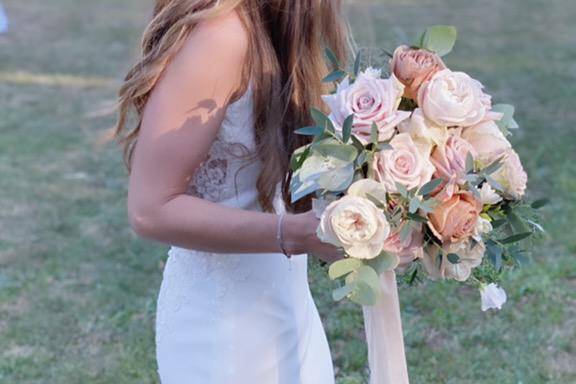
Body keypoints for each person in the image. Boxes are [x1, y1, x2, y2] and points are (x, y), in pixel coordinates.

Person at [115, 1, 348, 382]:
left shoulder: (283, 31)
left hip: (285, 308)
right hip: (222, 333)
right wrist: (299, 233)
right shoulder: (219, 38)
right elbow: (150, 209)